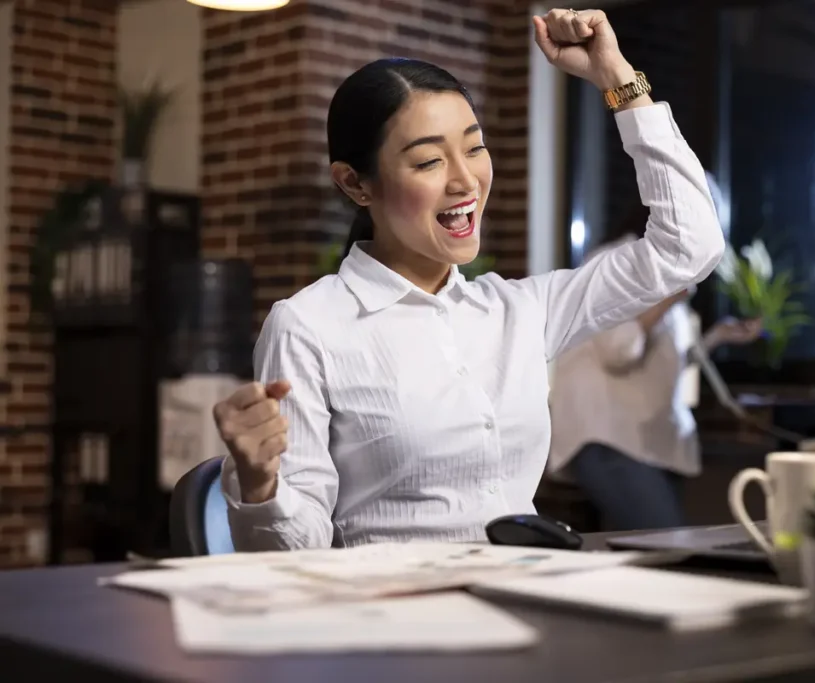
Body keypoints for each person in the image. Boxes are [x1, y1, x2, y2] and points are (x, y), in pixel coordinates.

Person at [211, 8, 726, 551]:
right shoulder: (309, 326)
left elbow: (689, 245)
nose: (465, 180)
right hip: (394, 619)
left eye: (475, 147)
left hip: (524, 600)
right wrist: (262, 484)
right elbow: (297, 558)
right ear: (356, 184)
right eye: (429, 160)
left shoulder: (519, 311)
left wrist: (616, 77)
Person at [547, 203, 762, 532]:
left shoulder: (663, 270)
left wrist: (718, 337)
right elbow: (618, 349)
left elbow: (662, 362)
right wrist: (667, 301)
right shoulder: (617, 261)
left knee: (654, 553)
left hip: (646, 444)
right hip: (610, 439)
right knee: (668, 549)